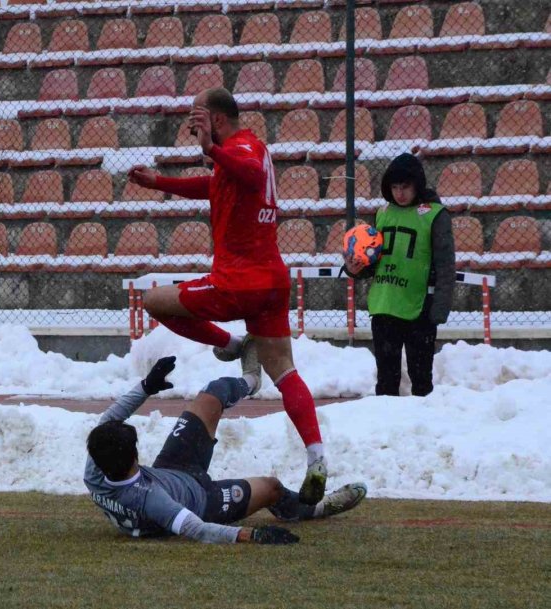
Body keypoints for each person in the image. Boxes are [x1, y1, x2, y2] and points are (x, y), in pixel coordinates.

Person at [127, 87, 327, 504]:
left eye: (196, 120)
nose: (191, 128)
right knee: (285, 371)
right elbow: (215, 185)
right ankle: (316, 459)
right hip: (272, 281)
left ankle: (232, 344)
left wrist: (209, 150)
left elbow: (248, 173)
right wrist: (159, 182)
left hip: (238, 281)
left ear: (216, 120)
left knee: (154, 300)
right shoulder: (245, 151)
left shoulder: (244, 147)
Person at [84, 356, 368, 544]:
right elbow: (198, 529)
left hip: (171, 469)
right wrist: (253, 535)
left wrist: (147, 386)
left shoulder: (97, 468)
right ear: (134, 456)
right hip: (203, 501)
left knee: (212, 393)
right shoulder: (151, 499)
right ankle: (315, 508)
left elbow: (108, 420)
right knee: (271, 488)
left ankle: (252, 379)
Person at [343, 153, 456, 397]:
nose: (400, 193)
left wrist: (440, 308)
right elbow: (373, 259)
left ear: (417, 185)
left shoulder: (435, 215)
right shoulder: (383, 213)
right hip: (385, 305)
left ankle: (422, 430)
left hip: (420, 308)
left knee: (421, 381)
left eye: (405, 187)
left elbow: (446, 265)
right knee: (386, 381)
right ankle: (387, 432)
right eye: (394, 187)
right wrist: (355, 270)